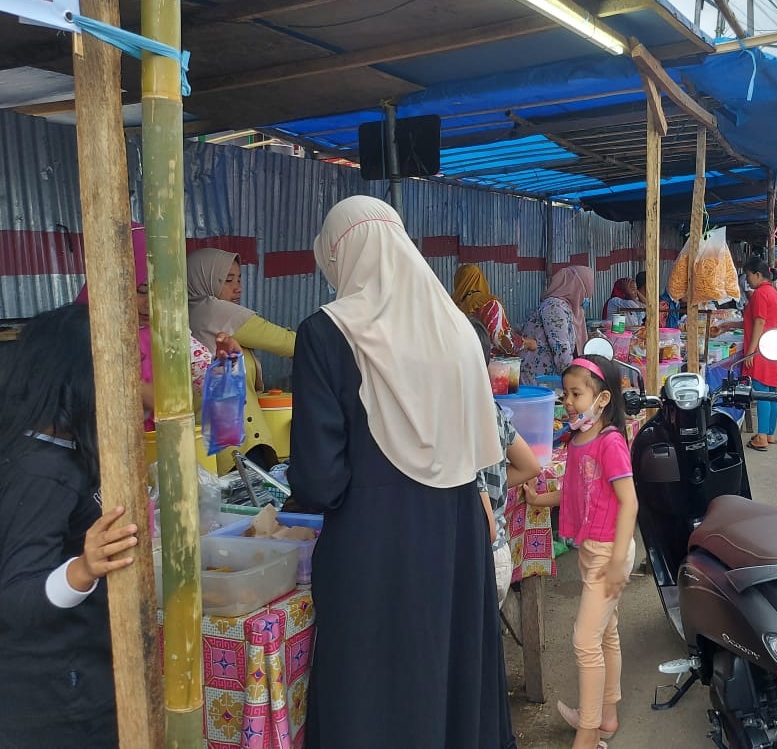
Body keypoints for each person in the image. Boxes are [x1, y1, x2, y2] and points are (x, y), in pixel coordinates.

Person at [286, 196, 515, 748]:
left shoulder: (327, 332)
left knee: (375, 693)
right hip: (457, 535)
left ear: (341, 255)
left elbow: (318, 481)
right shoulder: (458, 330)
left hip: (373, 546)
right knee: (448, 673)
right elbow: (481, 444)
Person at [0, 304, 141, 747]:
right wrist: (83, 568)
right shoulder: (44, 472)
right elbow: (17, 597)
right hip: (56, 696)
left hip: (79, 675)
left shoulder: (62, 450)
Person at [523, 354, 637, 749]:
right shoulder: (578, 440)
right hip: (594, 549)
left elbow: (630, 502)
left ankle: (587, 736)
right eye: (565, 393)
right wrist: (541, 499)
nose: (567, 401)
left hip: (609, 553)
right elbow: (577, 491)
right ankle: (606, 715)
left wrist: (620, 562)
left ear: (602, 399)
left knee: (584, 640)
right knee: (605, 634)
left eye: (576, 393)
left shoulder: (610, 443)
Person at [75, 224, 237, 430]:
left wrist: (225, 365)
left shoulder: (172, 335)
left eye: (161, 293)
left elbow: (216, 394)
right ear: (109, 284)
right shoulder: (80, 335)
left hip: (160, 455)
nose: (151, 305)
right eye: (142, 291)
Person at [187, 248, 297, 465]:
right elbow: (288, 343)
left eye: (239, 279)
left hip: (216, 441)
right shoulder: (214, 311)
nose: (238, 288)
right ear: (204, 279)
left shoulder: (189, 312)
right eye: (228, 280)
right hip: (236, 445)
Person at [468, 318, 543, 605]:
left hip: (480, 557)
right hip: (500, 554)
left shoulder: (458, 420)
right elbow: (530, 466)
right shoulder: (492, 409)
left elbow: (482, 525)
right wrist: (494, 480)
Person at [520, 266, 596, 382]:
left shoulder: (569, 308)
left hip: (551, 378)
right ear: (578, 286)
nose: (588, 295)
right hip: (541, 380)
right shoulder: (554, 307)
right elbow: (561, 348)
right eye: (587, 289)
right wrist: (576, 380)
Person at [741, 257, 777, 451]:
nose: (747, 280)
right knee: (772, 391)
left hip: (761, 348)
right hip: (772, 346)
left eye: (749, 276)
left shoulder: (759, 294)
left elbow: (759, 322)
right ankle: (770, 433)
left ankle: (761, 436)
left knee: (762, 392)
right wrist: (728, 325)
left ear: (758, 275)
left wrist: (750, 352)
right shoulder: (773, 292)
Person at [452, 263, 538, 357]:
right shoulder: (490, 304)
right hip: (488, 365)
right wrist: (528, 343)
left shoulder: (451, 307)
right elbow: (501, 339)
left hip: (461, 362)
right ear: (480, 280)